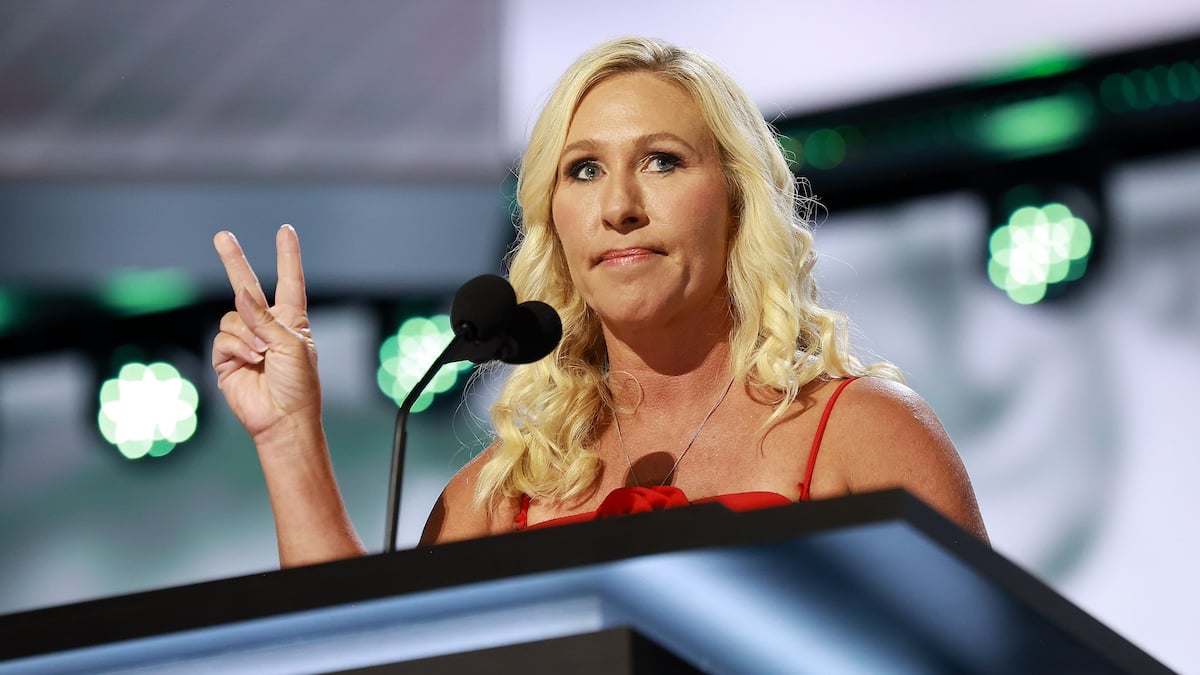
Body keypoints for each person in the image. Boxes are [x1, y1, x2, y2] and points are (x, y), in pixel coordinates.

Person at [212, 37, 988, 568]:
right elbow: (366, 668)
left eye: (661, 161)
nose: (619, 205)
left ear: (737, 203)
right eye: (583, 170)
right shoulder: (490, 502)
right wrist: (288, 436)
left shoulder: (865, 436)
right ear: (554, 218)